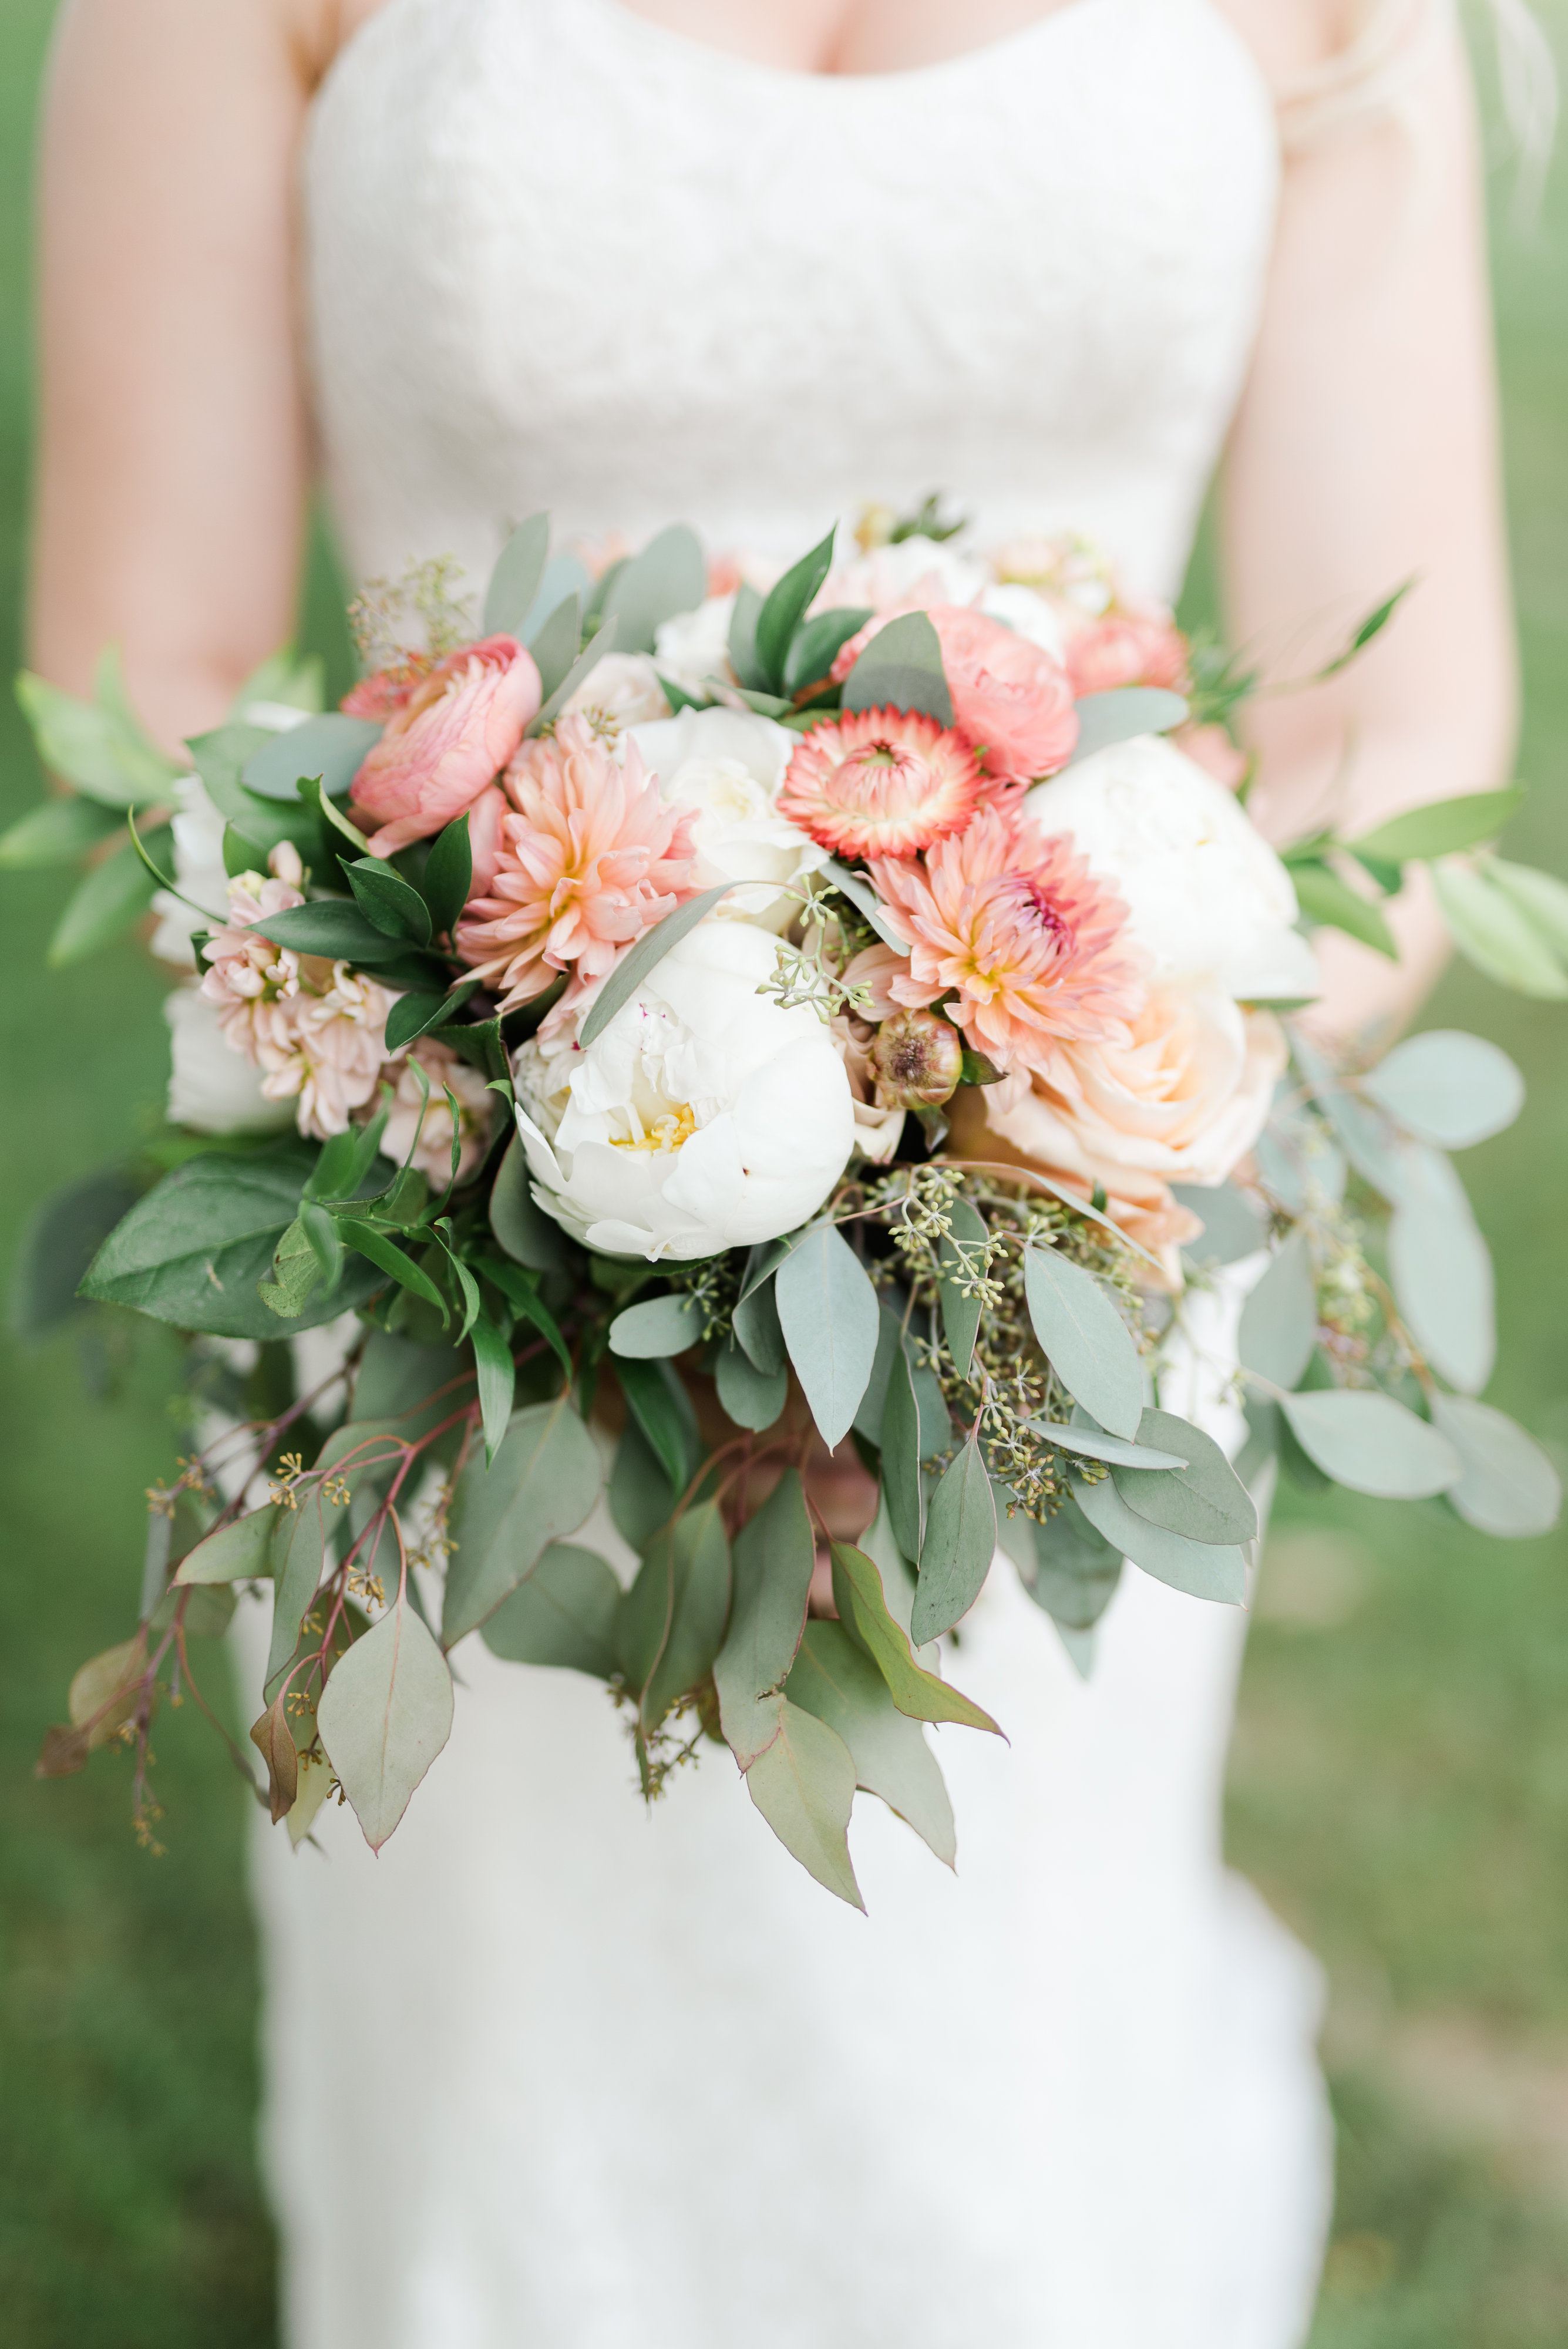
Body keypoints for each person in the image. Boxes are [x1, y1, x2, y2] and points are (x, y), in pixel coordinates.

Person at [29, 4, 1525, 2344]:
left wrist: (1010, 1135)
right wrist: (488, 1073)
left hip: (1075, 1230)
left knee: (996, 2074)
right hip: (463, 1249)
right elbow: (151, 661)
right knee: (522, 2118)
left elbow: (1388, 732)